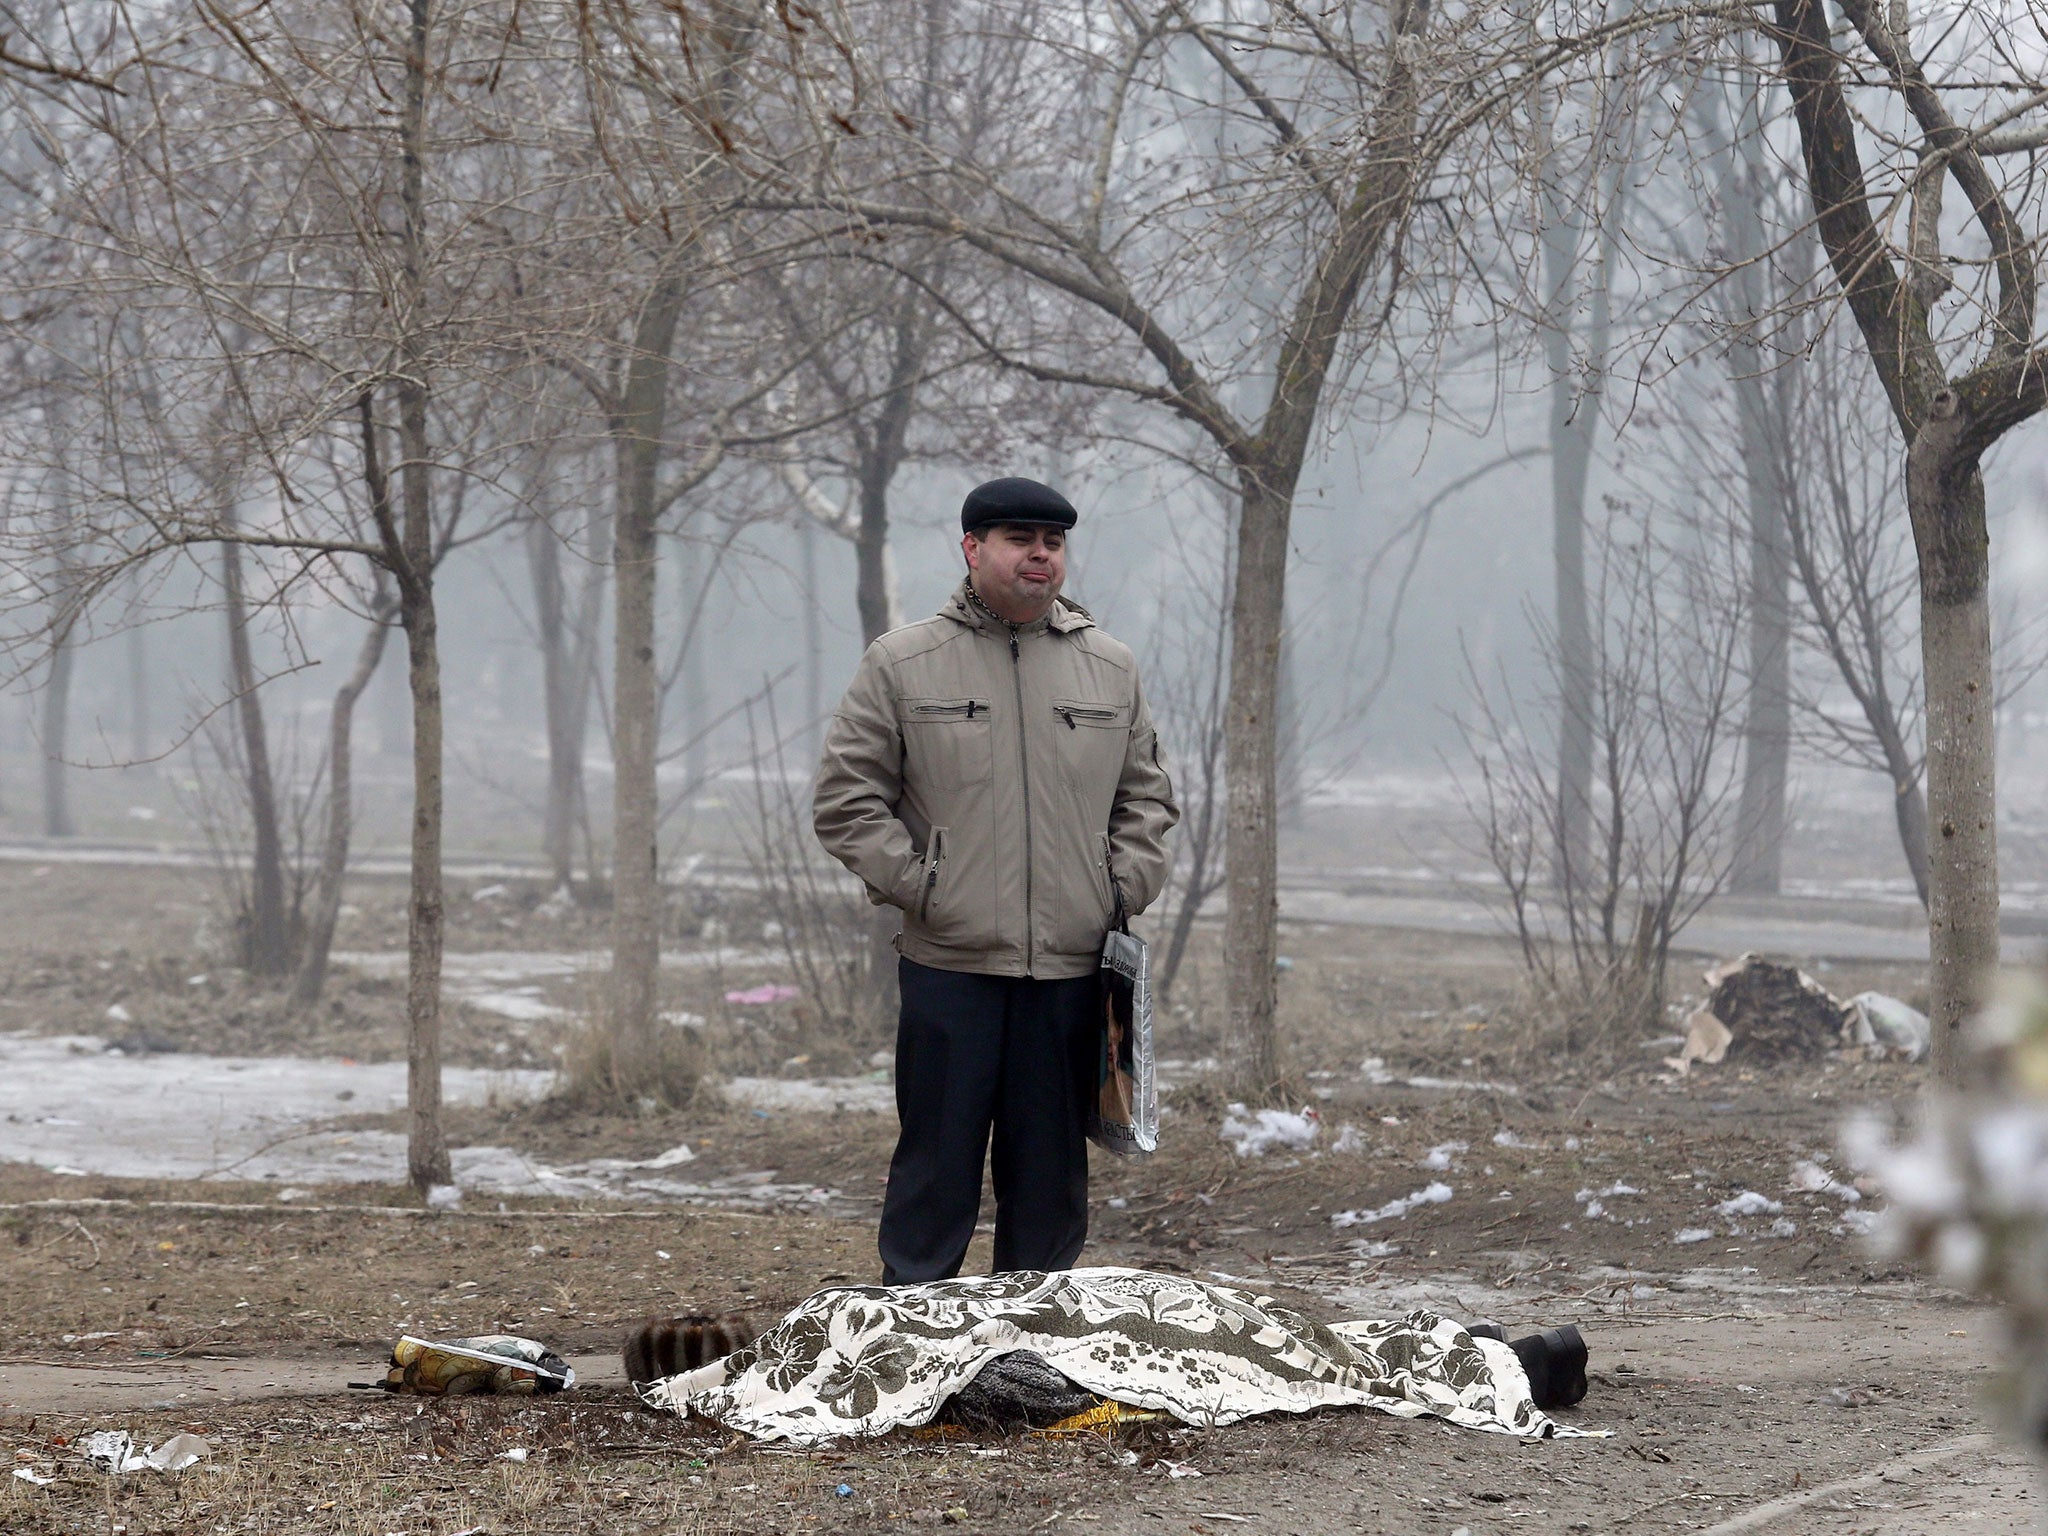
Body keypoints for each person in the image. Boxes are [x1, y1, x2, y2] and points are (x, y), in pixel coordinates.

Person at [813, 476, 1179, 1283]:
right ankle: (912, 1329)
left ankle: (1034, 1334)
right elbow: (846, 801)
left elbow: (1147, 800)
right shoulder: (904, 663)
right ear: (973, 549)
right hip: (951, 967)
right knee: (935, 1167)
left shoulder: (1108, 667)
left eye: (1053, 542)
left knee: (1050, 1178)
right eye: (1020, 539)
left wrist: (1115, 892)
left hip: (1070, 972)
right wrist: (926, 889)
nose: (1039, 555)